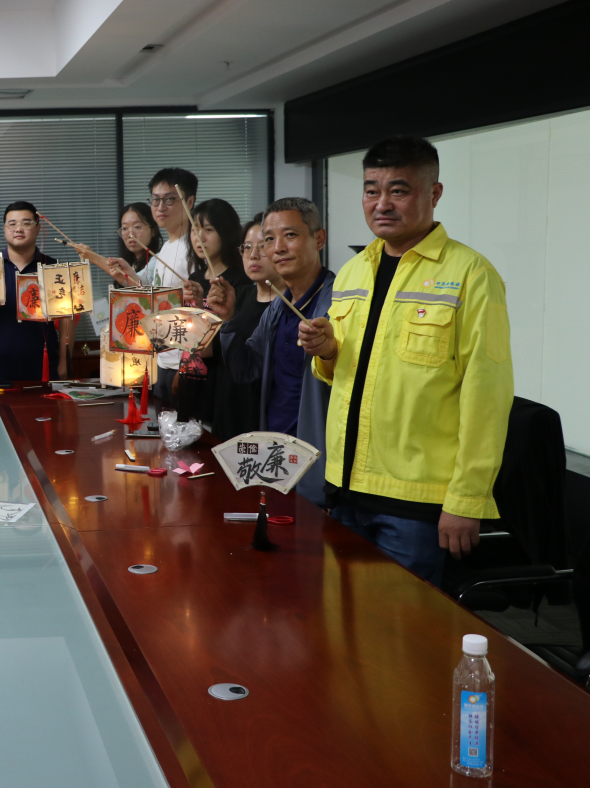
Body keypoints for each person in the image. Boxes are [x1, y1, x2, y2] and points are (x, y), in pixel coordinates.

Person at [301, 136, 513, 585]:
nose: (382, 203)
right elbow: (346, 374)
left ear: (434, 193)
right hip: (343, 487)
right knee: (340, 619)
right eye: (371, 190)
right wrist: (327, 351)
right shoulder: (354, 271)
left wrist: (467, 500)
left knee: (400, 625)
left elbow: (487, 398)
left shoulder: (471, 275)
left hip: (416, 503)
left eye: (398, 190)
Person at [208, 198, 334, 506]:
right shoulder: (279, 307)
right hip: (278, 456)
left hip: (322, 458)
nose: (277, 248)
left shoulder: (340, 302)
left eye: (290, 235)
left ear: (318, 239)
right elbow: (246, 369)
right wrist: (228, 319)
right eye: (269, 239)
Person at [109, 169, 205, 406]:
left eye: (170, 199)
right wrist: (130, 277)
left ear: (189, 202)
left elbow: (201, 310)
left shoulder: (195, 248)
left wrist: (186, 365)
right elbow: (158, 300)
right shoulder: (164, 250)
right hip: (163, 360)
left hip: (183, 364)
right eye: (155, 199)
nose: (161, 207)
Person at [0, 201, 74, 383]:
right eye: (12, 224)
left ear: (38, 228)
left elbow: (67, 318)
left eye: (26, 223)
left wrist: (64, 362)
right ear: (4, 229)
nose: (18, 229)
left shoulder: (53, 267)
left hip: (42, 367)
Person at [176, 199, 250, 425]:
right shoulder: (195, 278)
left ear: (226, 233)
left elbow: (218, 345)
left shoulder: (239, 281)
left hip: (219, 384)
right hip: (191, 379)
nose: (199, 237)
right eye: (194, 230)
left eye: (208, 230)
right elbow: (188, 338)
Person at [209, 220, 283, 440]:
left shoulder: (291, 306)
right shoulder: (235, 296)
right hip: (228, 409)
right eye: (247, 247)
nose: (253, 255)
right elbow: (209, 352)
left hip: (266, 417)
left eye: (262, 246)